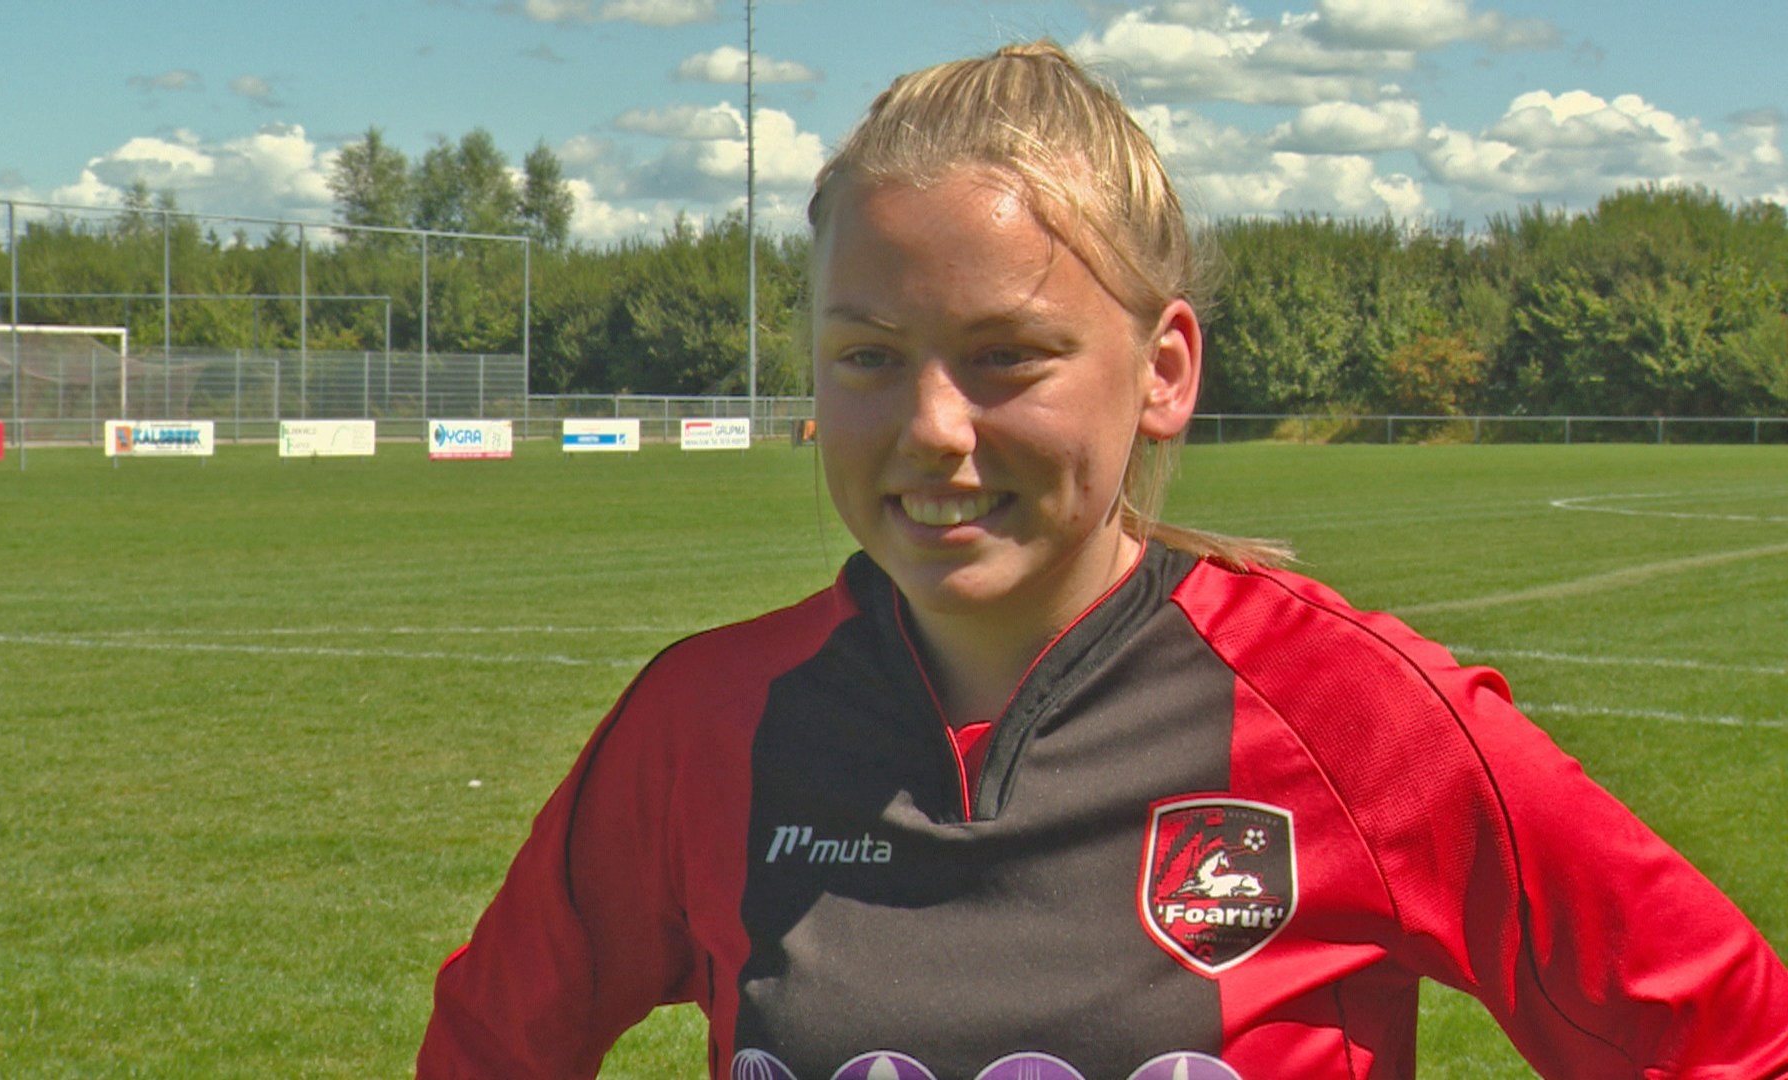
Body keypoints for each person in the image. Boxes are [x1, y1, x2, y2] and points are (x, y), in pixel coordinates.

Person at [417, 41, 1788, 1079]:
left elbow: (1730, 1035)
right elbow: (488, 1046)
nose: (934, 430)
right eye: (869, 360)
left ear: (1165, 371)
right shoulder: (704, 723)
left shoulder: (1355, 724)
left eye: (1008, 356)